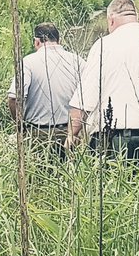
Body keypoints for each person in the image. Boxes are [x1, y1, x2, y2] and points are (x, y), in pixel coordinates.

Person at [67, 0, 139, 164]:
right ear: (136, 17)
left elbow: (85, 100)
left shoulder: (103, 46)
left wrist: (71, 136)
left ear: (111, 20)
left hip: (114, 139)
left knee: (113, 188)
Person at [7, 23, 85, 159]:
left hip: (38, 134)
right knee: (69, 176)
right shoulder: (78, 61)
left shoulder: (28, 62)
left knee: (38, 176)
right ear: (58, 40)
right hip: (71, 132)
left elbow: (14, 98)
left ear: (36, 42)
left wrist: (20, 125)